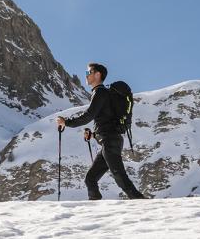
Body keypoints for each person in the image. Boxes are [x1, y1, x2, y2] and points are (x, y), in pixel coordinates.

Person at [57, 62, 147, 200]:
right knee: (90, 179)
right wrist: (93, 134)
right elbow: (107, 122)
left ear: (97, 74)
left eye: (88, 73)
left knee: (119, 176)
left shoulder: (100, 92)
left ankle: (140, 201)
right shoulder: (102, 94)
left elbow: (88, 116)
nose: (86, 76)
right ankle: (96, 209)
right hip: (109, 141)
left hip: (110, 142)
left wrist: (66, 122)